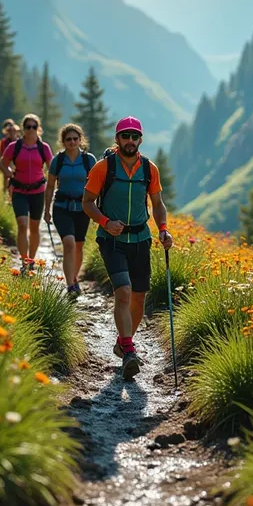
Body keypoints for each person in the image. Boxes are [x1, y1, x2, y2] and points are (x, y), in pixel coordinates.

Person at [83, 116, 173, 380]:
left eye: (135, 136)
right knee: (123, 292)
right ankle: (130, 350)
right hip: (112, 241)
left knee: (139, 298)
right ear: (117, 139)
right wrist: (105, 221)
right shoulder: (103, 167)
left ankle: (123, 343)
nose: (130, 141)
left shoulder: (149, 169)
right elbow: (87, 202)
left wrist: (164, 229)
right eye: (125, 136)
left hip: (141, 238)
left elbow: (157, 204)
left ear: (140, 140)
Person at [44, 124, 96, 296]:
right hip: (62, 208)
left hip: (83, 209)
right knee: (69, 243)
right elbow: (50, 186)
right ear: (63, 141)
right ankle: (70, 285)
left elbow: (97, 186)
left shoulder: (89, 160)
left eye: (75, 138)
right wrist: (46, 209)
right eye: (69, 139)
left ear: (80, 140)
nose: (72, 142)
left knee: (79, 247)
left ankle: (74, 279)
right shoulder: (57, 161)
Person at [0, 113, 53, 266]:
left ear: (38, 129)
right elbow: (2, 163)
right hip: (19, 191)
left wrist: (52, 184)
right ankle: (24, 260)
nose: (31, 129)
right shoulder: (14, 146)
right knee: (22, 225)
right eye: (28, 127)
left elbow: (52, 168)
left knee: (34, 227)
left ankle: (31, 260)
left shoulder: (44, 148)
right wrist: (9, 174)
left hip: (38, 191)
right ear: (23, 129)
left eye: (34, 127)